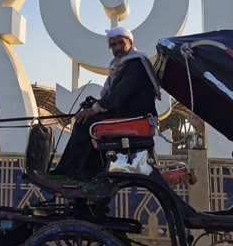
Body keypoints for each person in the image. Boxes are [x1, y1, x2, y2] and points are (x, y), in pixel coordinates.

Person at [51, 27, 161, 180]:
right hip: (124, 111)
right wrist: (94, 105)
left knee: (86, 124)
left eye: (120, 43)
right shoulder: (121, 64)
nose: (117, 48)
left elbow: (121, 95)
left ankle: (73, 172)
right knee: (86, 118)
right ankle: (79, 171)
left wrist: (95, 109)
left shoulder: (136, 63)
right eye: (113, 45)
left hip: (134, 115)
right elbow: (116, 96)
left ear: (129, 42)